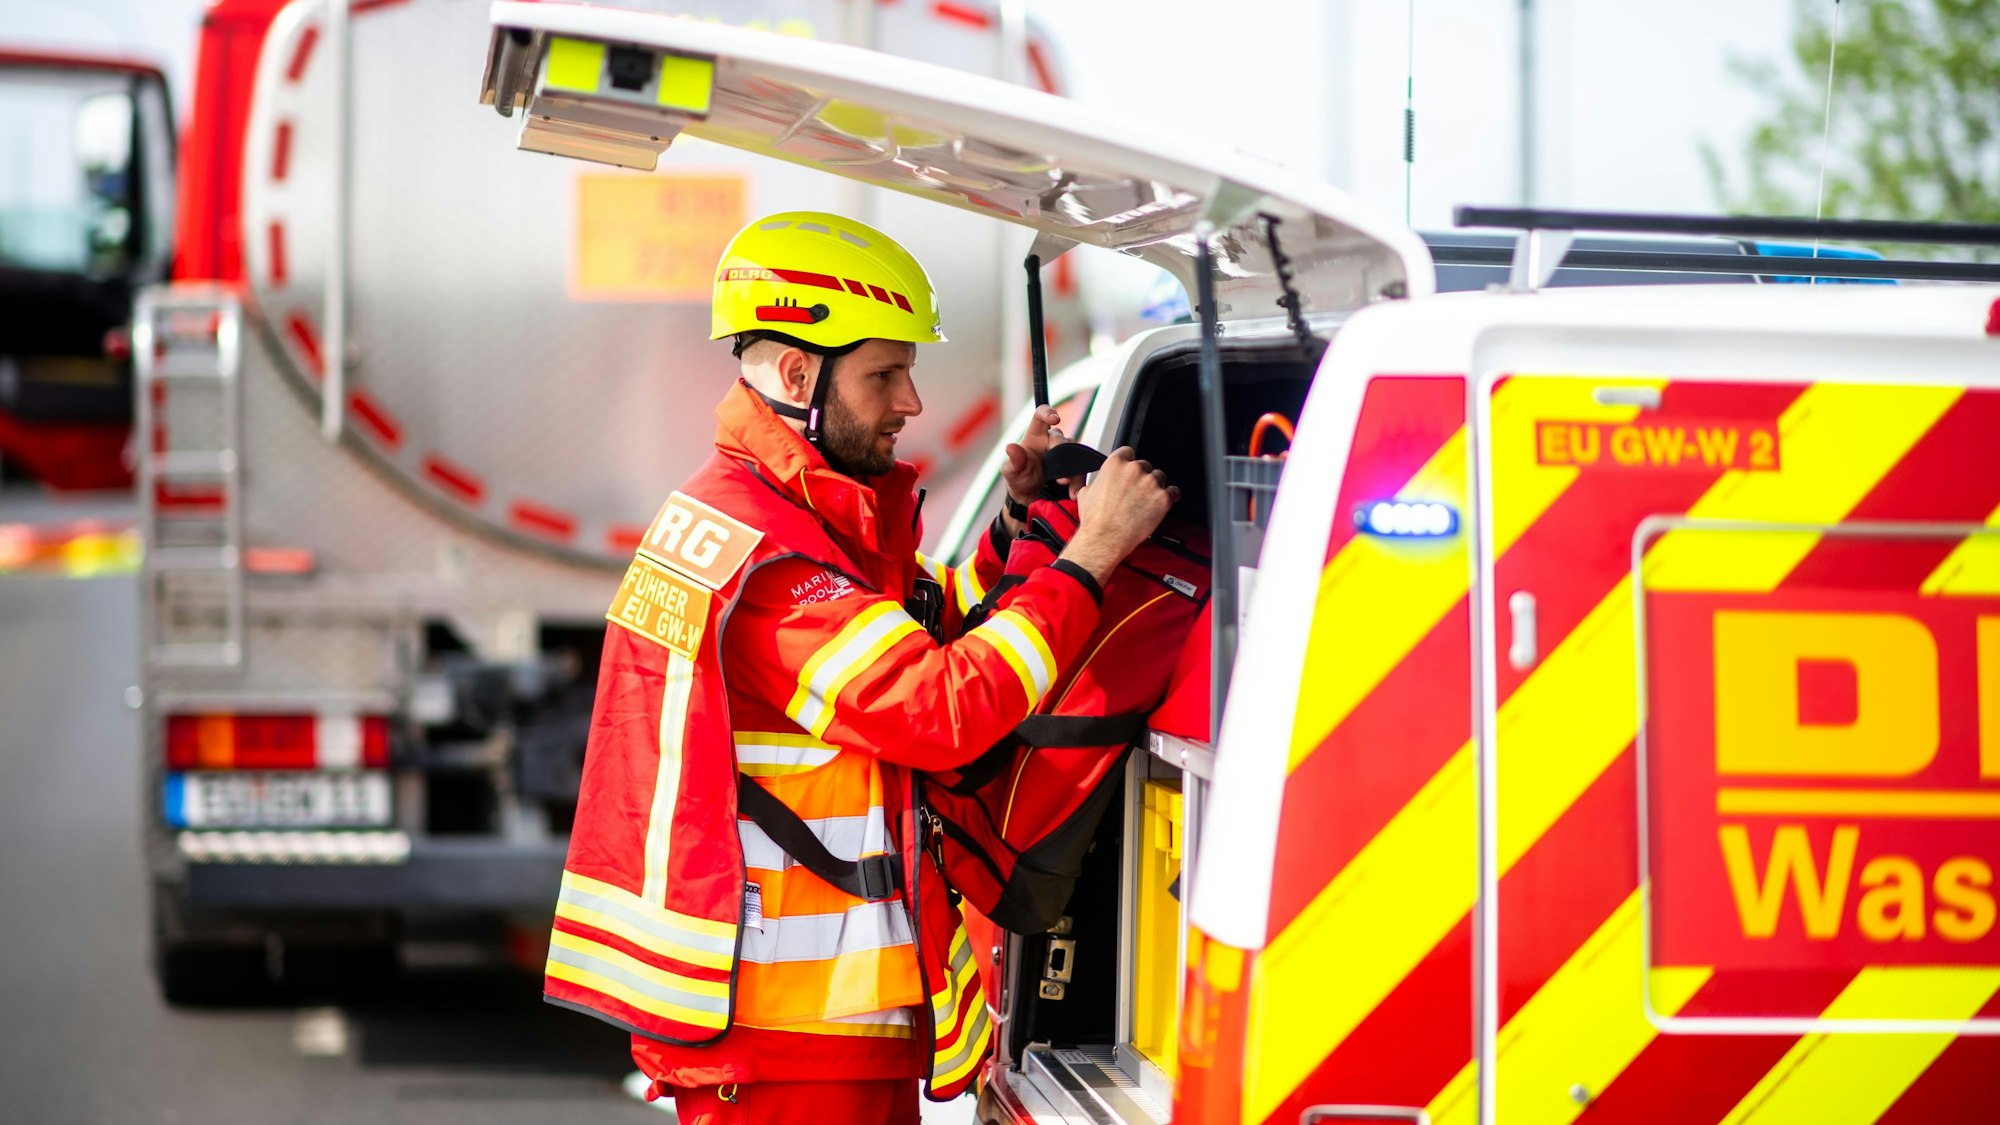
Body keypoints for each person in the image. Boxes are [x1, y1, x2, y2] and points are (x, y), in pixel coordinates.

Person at [544, 210, 1176, 1125]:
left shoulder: (783, 519)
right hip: (789, 1034)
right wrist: (1094, 554)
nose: (911, 403)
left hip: (804, 1025)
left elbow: (930, 620)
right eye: (886, 373)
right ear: (799, 375)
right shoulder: (767, 556)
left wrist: (1025, 527)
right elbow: (939, 704)